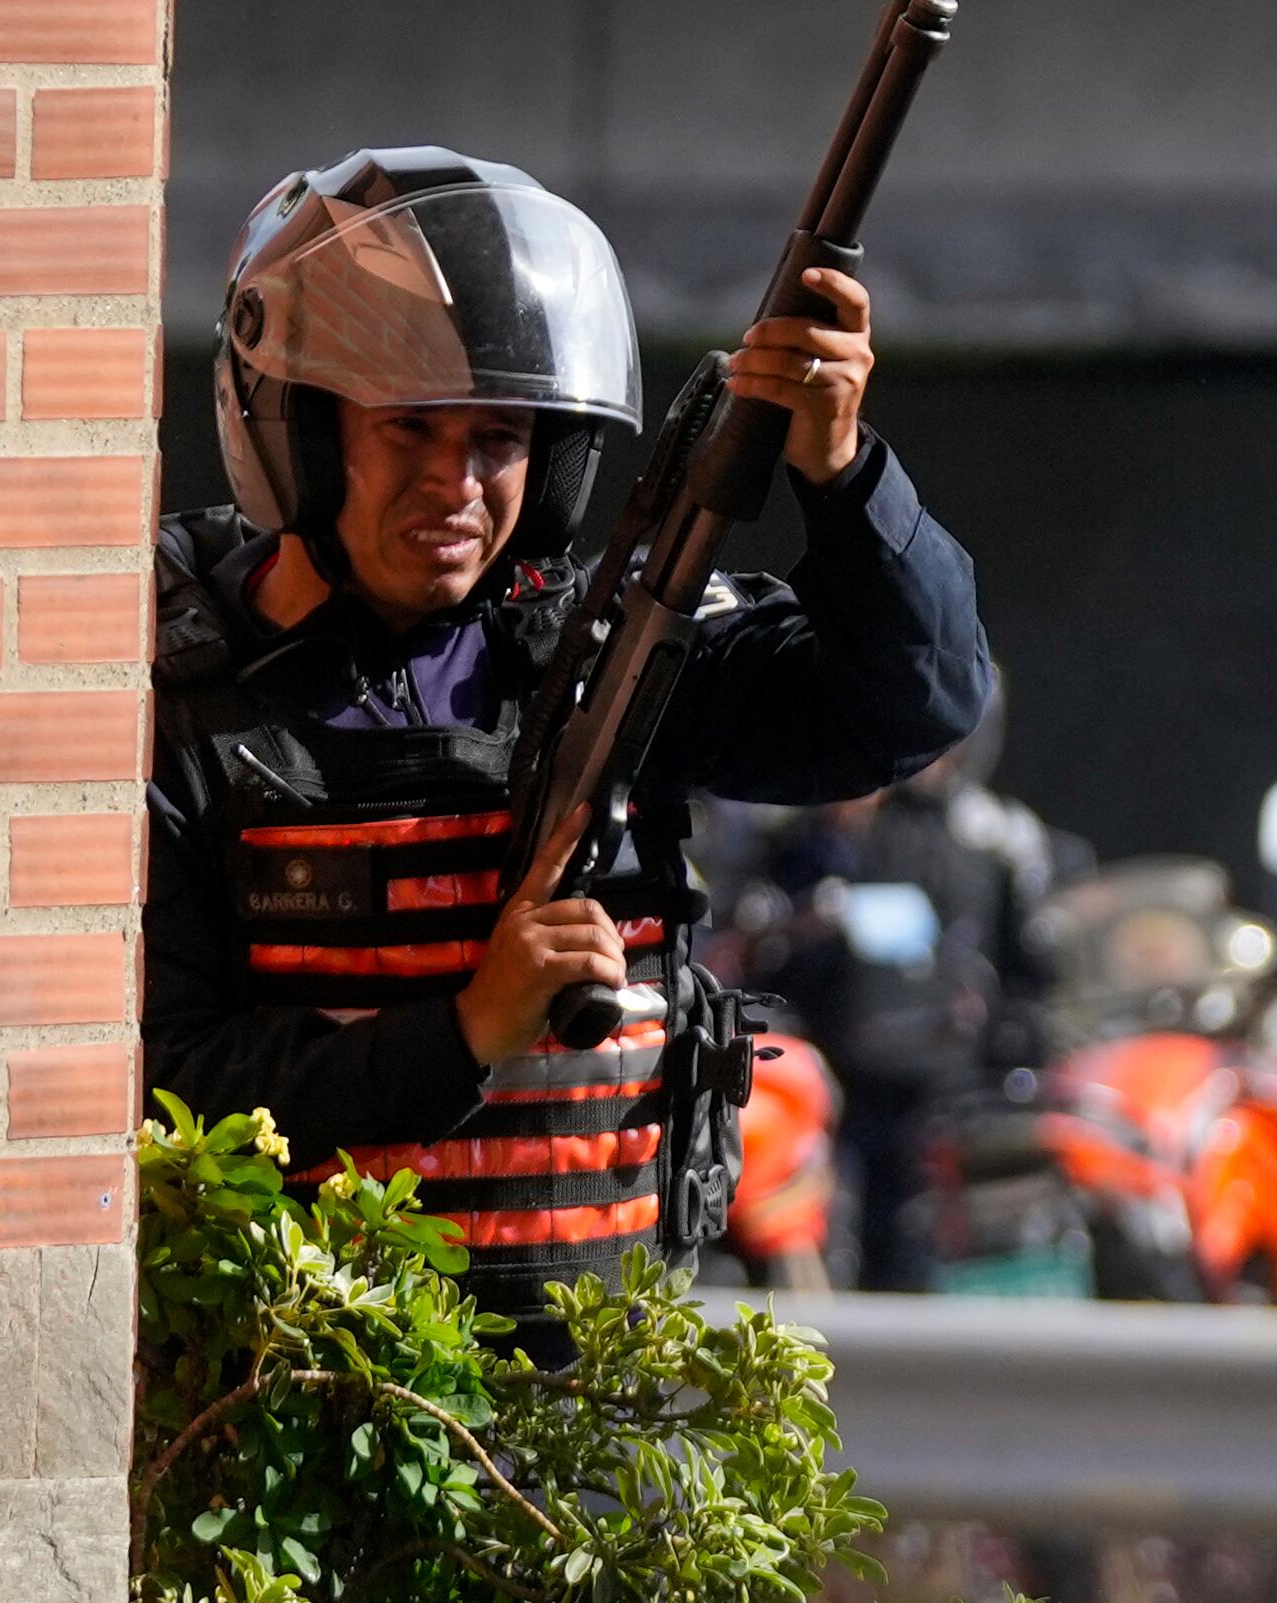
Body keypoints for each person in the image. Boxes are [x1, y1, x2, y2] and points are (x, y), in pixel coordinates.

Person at [145, 148, 993, 1320]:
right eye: (411, 430)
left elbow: (914, 703)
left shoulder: (616, 659)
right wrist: (459, 1034)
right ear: (303, 429)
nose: (458, 483)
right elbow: (166, 1091)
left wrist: (840, 472)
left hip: (603, 1408)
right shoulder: (177, 700)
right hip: (293, 1409)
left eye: (497, 438)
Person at [707, 691, 1081, 1289]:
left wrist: (1015, 1037)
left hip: (943, 1078)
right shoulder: (812, 833)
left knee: (923, 1243)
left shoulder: (994, 839)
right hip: (834, 1068)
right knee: (823, 1231)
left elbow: (1031, 964)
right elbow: (748, 938)